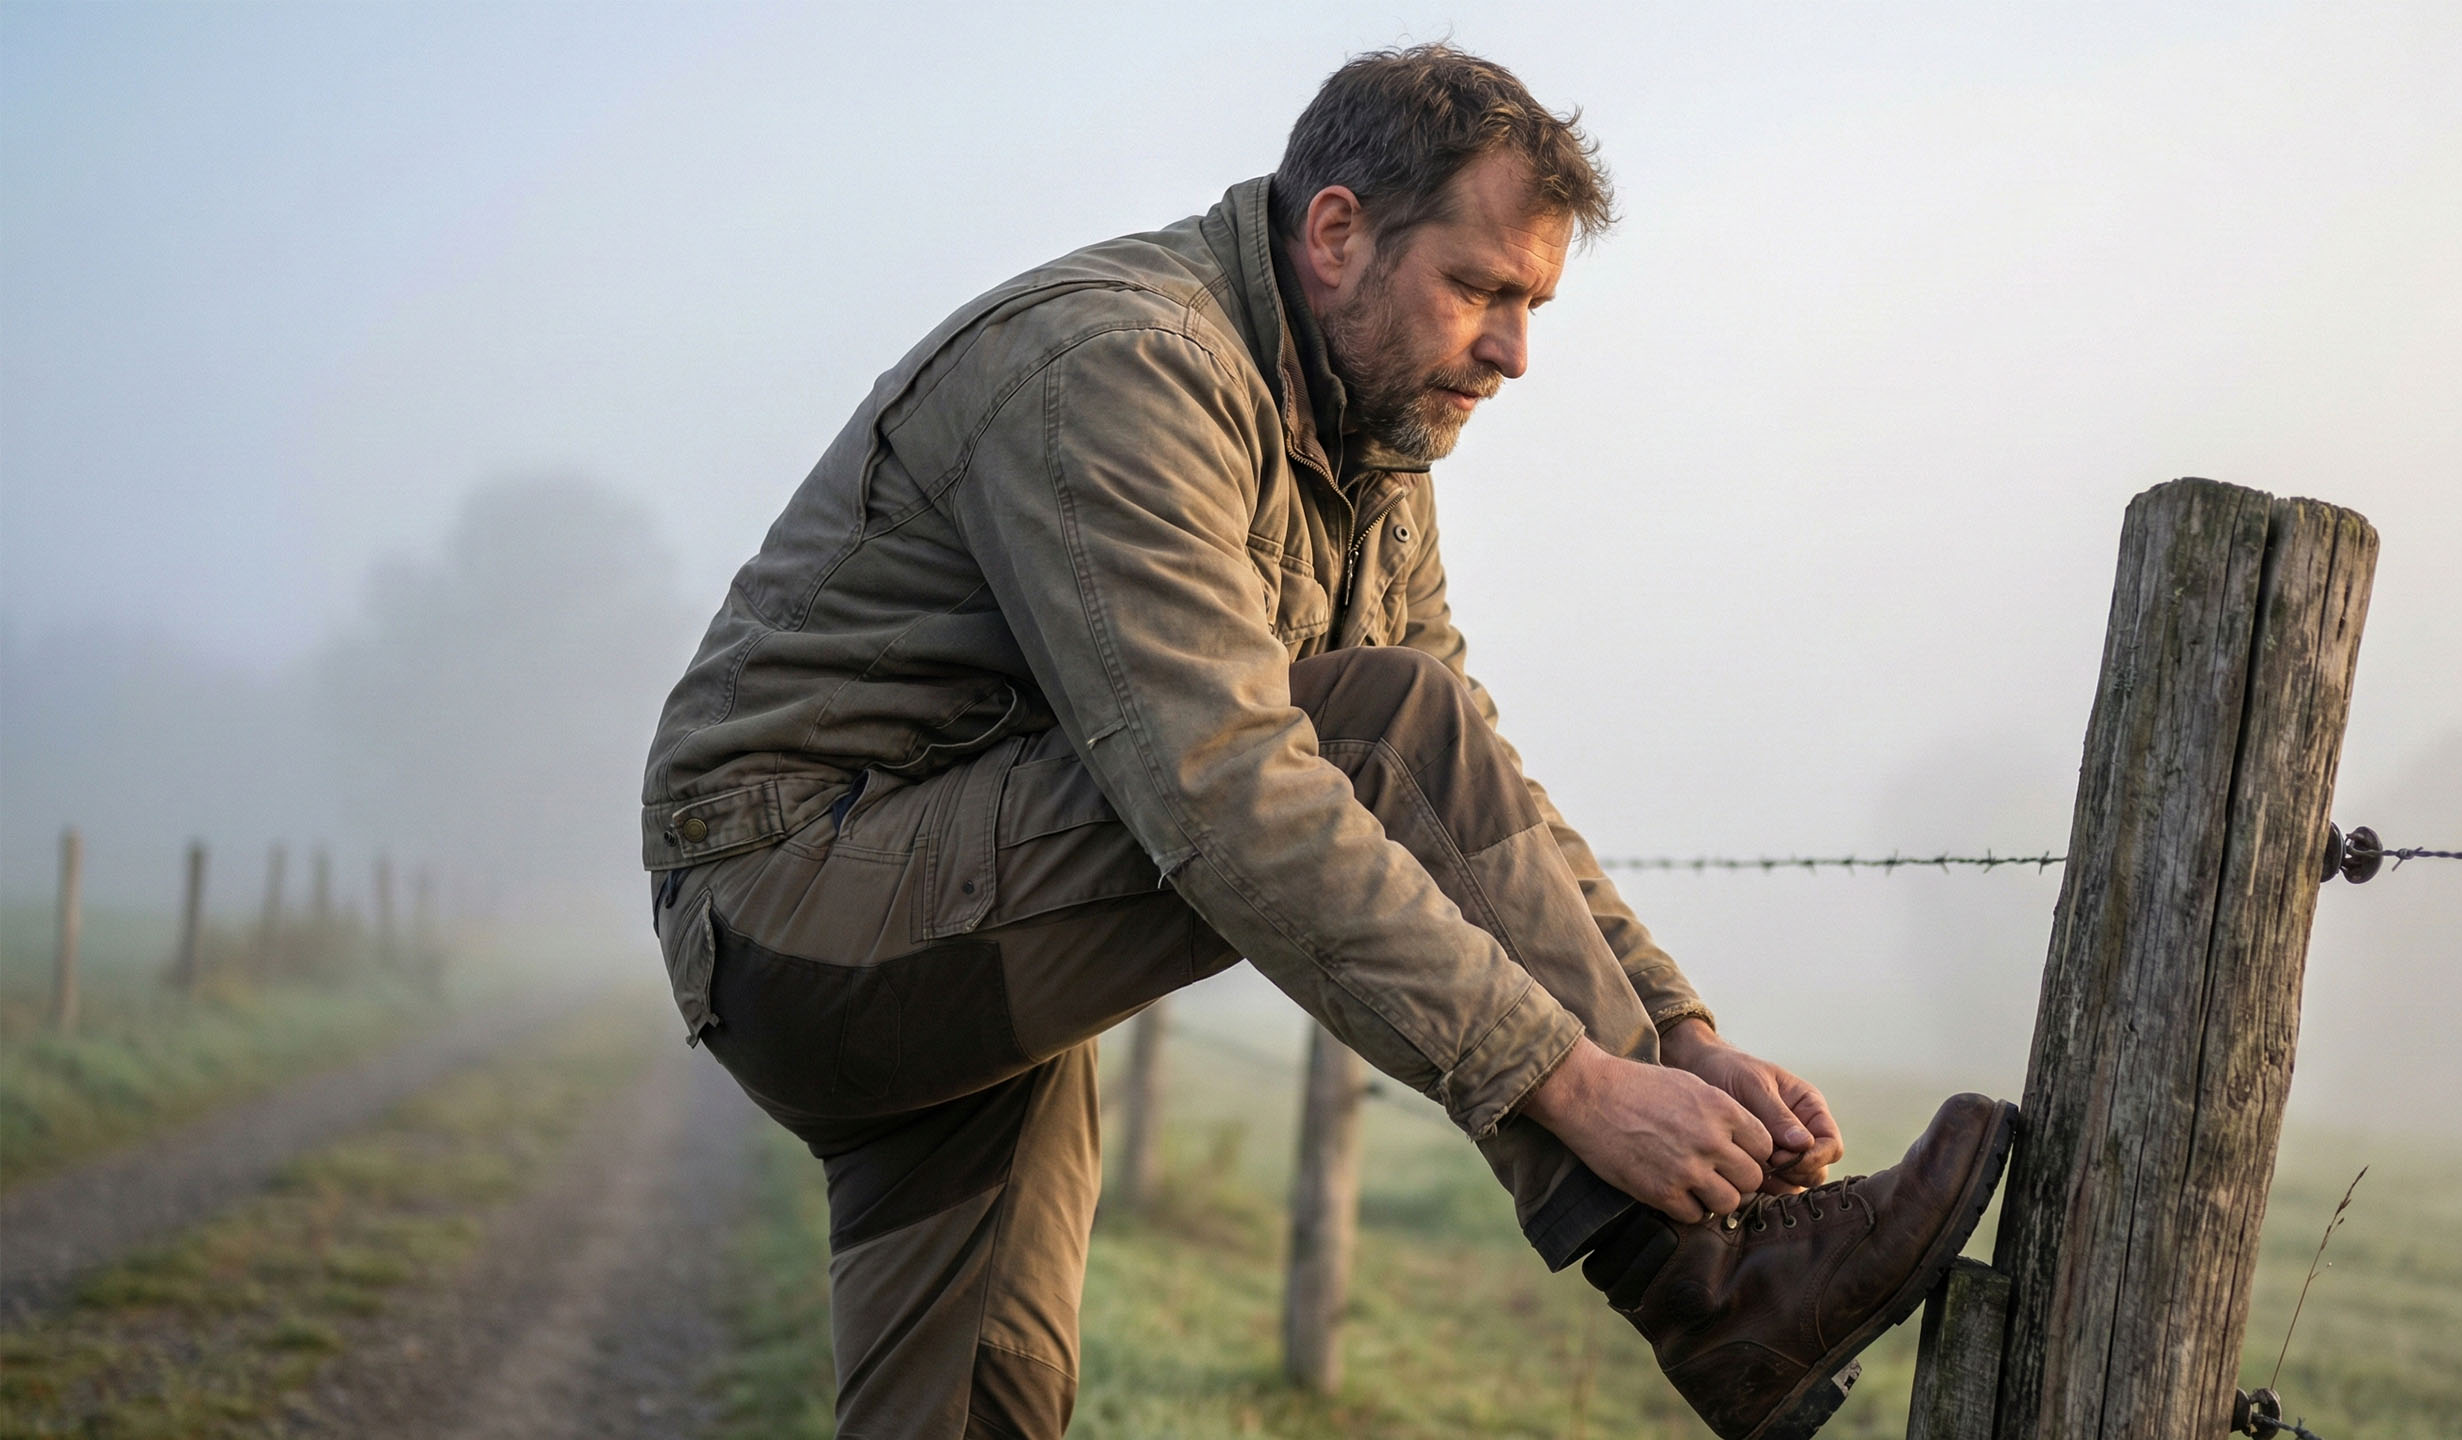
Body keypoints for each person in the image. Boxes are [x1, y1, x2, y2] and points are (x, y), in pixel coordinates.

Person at [642, 43, 2013, 1440]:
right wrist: (1582, 1085)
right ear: (1338, 230)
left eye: (1534, 303)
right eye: (1479, 288)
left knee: (982, 1411)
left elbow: (1470, 771)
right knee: (1374, 726)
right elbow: (1235, 791)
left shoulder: (1372, 435)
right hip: (803, 900)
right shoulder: (1122, 367)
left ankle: (1730, 1284)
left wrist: (1678, 1036)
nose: (1515, 351)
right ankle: (1711, 1290)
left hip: (961, 931)